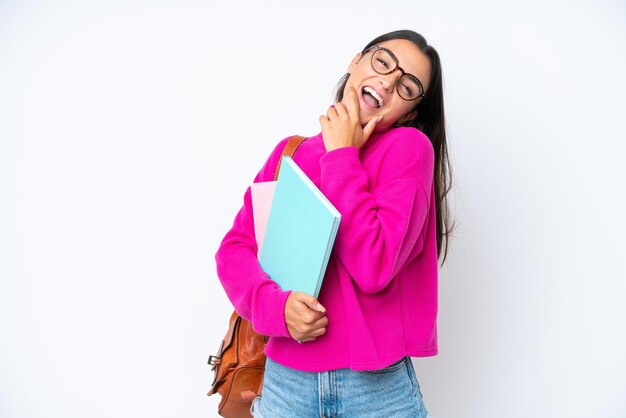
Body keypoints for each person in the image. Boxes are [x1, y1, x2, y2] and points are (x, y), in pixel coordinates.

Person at [215, 29, 454, 418]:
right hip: (284, 387)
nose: (389, 81)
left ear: (410, 112)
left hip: (375, 391)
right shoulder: (290, 152)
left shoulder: (408, 150)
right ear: (355, 61)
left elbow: (374, 266)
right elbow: (235, 250)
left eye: (407, 85)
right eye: (382, 61)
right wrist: (277, 307)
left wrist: (342, 154)